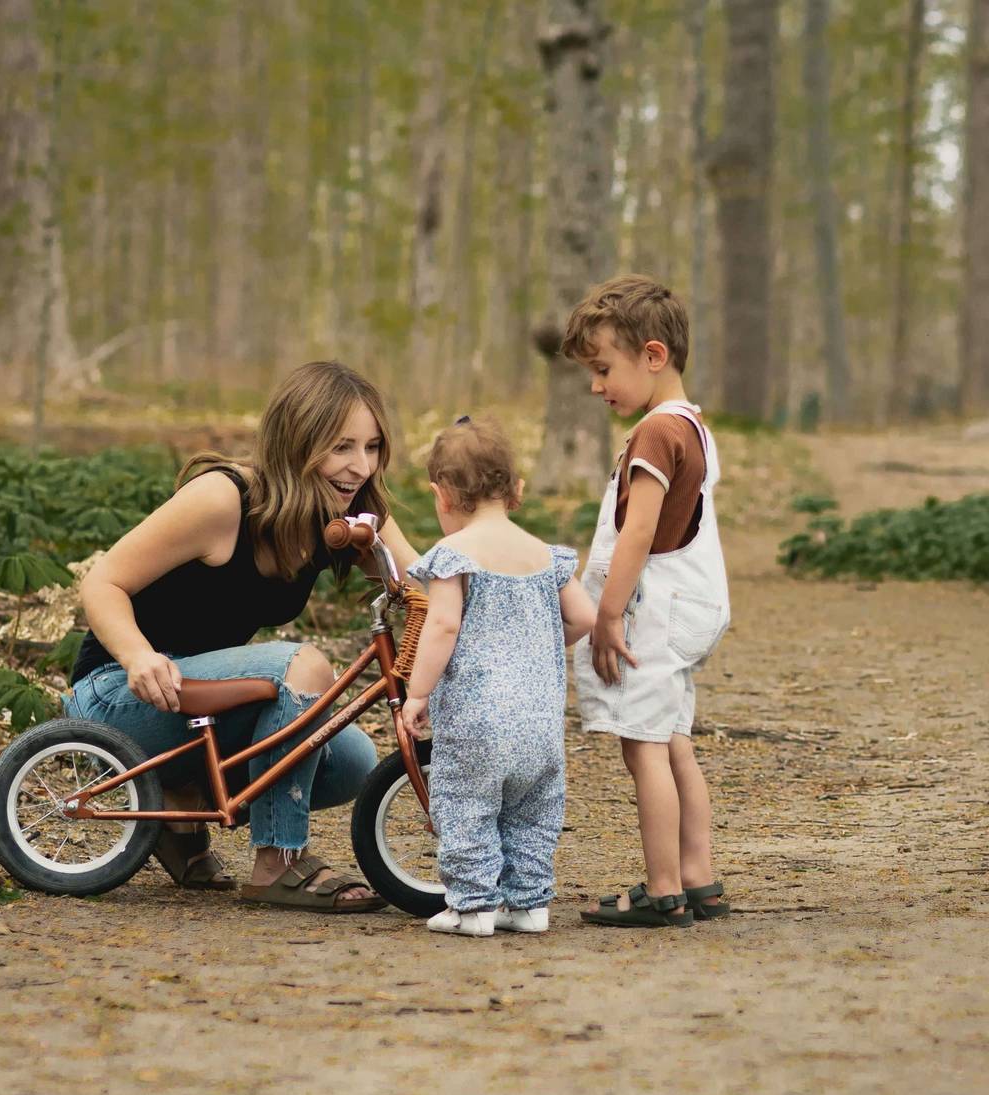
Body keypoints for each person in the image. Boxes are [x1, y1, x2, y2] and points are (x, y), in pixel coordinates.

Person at [64, 361, 418, 912]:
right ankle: (278, 862)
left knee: (349, 756)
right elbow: (103, 581)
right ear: (297, 441)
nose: (359, 466)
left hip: (205, 709)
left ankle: (179, 810)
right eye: (342, 447)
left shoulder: (350, 511)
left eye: (372, 447)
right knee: (306, 666)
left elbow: (421, 583)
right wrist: (138, 656)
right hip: (122, 696)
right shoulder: (223, 499)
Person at [562, 275, 731, 929]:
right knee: (674, 741)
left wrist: (606, 614)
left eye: (605, 368)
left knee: (644, 747)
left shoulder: (657, 435)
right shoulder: (694, 427)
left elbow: (639, 531)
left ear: (653, 356)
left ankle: (663, 888)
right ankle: (698, 875)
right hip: (691, 605)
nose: (598, 385)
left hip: (655, 611)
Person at [401, 418, 597, 936]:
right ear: (518, 490)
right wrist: (536, 649)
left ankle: (471, 907)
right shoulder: (546, 556)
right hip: (540, 725)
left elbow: (442, 623)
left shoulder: (455, 556)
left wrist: (416, 693)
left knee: (466, 806)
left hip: (477, 722)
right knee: (532, 815)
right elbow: (583, 618)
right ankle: (529, 906)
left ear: (441, 496)